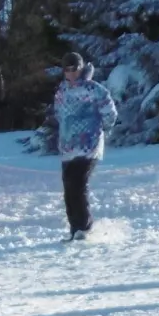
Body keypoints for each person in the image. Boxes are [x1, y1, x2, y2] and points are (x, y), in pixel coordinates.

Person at [53, 52, 117, 240]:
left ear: (81, 68)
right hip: (68, 146)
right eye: (67, 69)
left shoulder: (94, 89)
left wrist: (99, 130)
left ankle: (84, 227)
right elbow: (58, 114)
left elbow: (110, 113)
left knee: (78, 184)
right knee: (68, 188)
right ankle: (75, 229)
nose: (71, 73)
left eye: (74, 68)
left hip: (88, 145)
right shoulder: (62, 91)